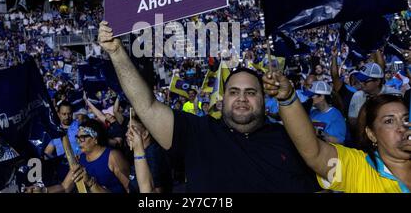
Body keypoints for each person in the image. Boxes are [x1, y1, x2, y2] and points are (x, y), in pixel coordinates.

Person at [98, 22, 319, 192]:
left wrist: (288, 97)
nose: (242, 98)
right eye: (234, 92)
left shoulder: (290, 139)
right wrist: (117, 52)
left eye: (251, 93)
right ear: (223, 99)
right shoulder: (198, 133)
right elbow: (145, 106)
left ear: (264, 99)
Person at [263, 72, 410, 193]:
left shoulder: (334, 115)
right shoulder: (358, 169)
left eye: (406, 119)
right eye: (389, 121)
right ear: (371, 134)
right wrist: (287, 99)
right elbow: (315, 152)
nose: (402, 127)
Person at [28, 119, 130, 193]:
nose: (78, 142)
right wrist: (43, 190)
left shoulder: (112, 156)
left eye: (83, 138)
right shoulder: (80, 158)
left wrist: (91, 182)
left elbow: (130, 188)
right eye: (77, 138)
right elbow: (65, 187)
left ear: (95, 139)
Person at [348, 62, 402, 131]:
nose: (361, 83)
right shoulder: (357, 96)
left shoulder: (394, 95)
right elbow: (352, 121)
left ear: (377, 81)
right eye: (360, 80)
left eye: (365, 81)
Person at [125, 116, 172, 193]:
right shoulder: (143, 152)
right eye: (127, 129)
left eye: (133, 129)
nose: (127, 134)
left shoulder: (153, 156)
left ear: (145, 133)